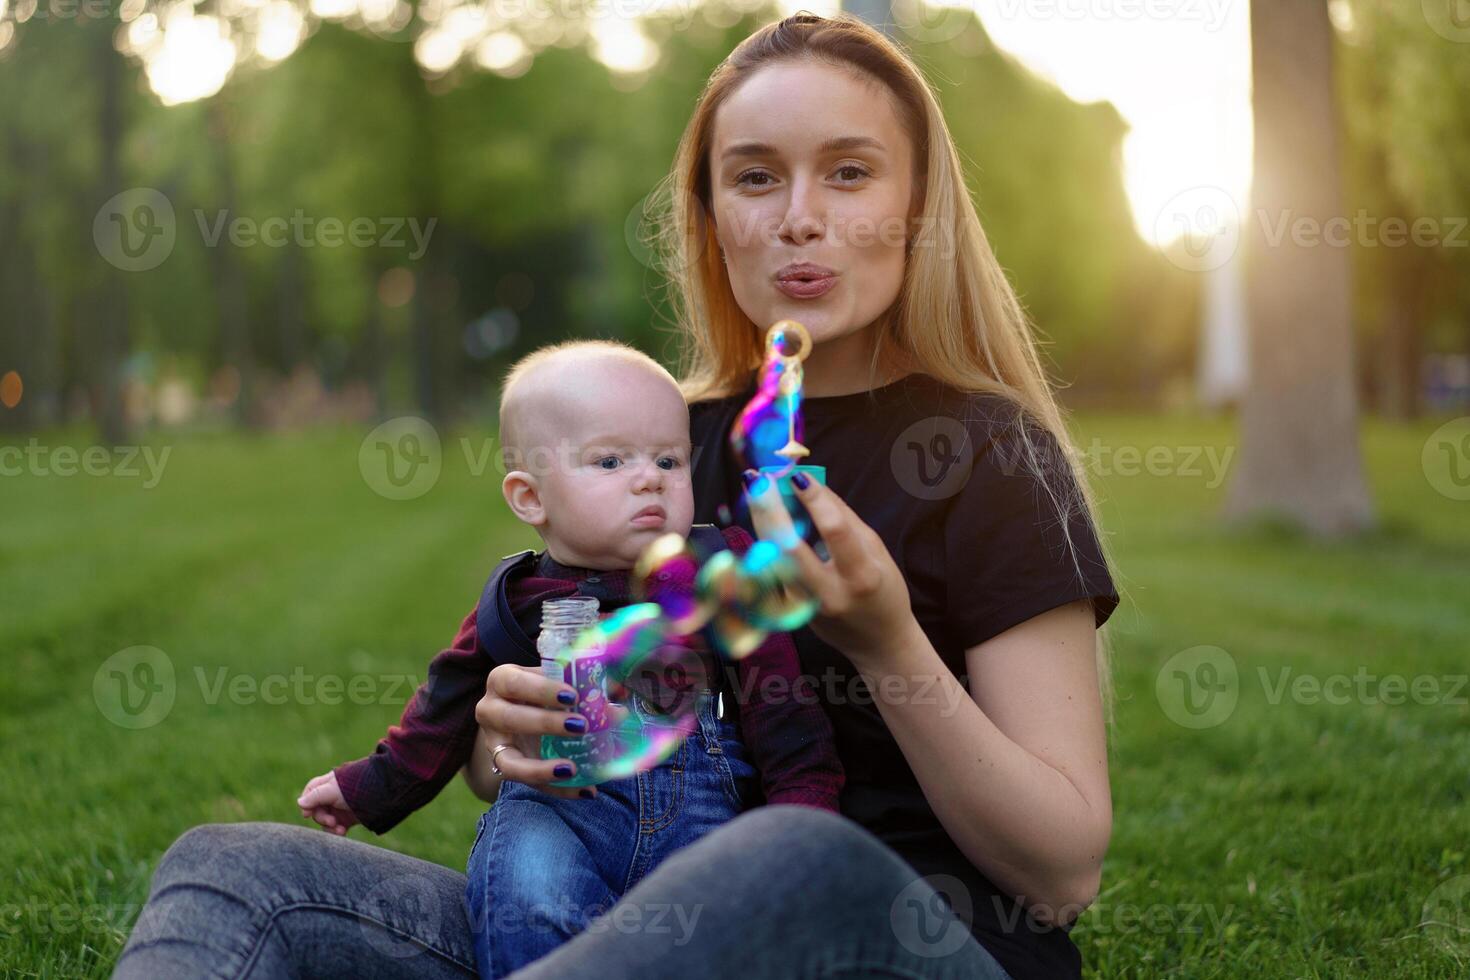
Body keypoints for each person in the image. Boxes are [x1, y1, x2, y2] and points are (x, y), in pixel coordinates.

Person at [113, 13, 1120, 980]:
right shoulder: (656, 453)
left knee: (796, 854)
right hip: (643, 928)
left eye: (849, 172)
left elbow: (1062, 870)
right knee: (233, 872)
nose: (800, 215)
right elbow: (538, 751)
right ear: (712, 215)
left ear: (918, 207)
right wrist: (498, 739)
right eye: (755, 177)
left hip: (905, 938)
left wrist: (884, 639)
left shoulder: (990, 455)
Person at [295, 340, 843, 979]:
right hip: (561, 812)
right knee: (527, 890)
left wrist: (806, 832)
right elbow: (442, 710)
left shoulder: (717, 571)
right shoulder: (516, 600)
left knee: (723, 933)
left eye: (669, 459)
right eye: (609, 460)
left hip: (703, 819)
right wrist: (368, 788)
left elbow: (786, 717)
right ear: (530, 499)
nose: (650, 478)